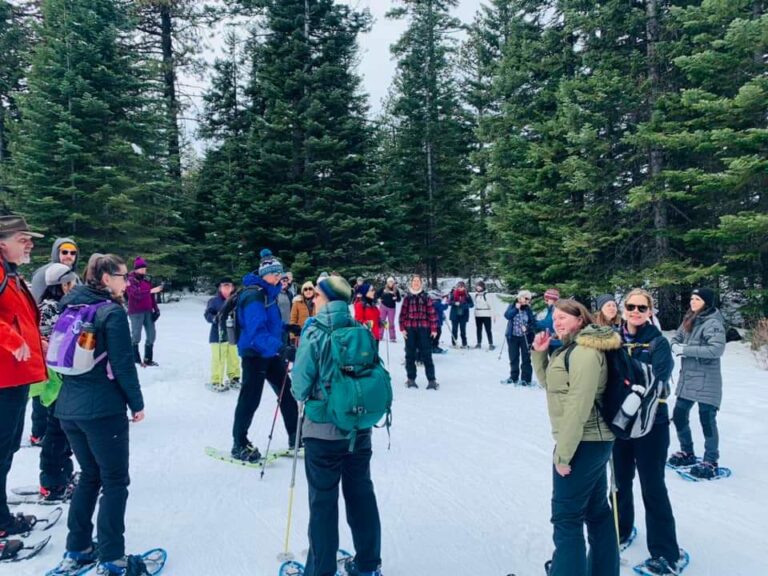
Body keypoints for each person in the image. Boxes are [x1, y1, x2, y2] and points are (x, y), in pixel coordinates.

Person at [51, 254, 148, 576]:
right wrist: (136, 403)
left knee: (89, 476)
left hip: (68, 408)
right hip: (103, 411)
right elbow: (122, 365)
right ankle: (112, 556)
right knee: (115, 480)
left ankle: (77, 548)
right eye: (123, 276)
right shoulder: (111, 313)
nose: (127, 282)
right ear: (106, 279)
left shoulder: (72, 306)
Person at [291, 275, 382, 576]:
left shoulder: (314, 332)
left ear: (326, 298)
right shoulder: (360, 329)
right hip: (359, 430)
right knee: (361, 494)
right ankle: (368, 565)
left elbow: (300, 386)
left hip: (322, 433)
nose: (312, 298)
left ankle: (320, 571)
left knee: (323, 504)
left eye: (316, 294)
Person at [531, 299, 620, 576]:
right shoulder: (570, 348)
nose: (556, 322)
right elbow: (552, 386)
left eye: (563, 317)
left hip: (584, 442)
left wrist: (564, 453)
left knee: (567, 518)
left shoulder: (584, 352)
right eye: (554, 317)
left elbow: (578, 404)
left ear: (580, 319)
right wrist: (540, 354)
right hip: (591, 442)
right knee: (597, 513)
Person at [613, 288, 680, 575]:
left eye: (642, 307)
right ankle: (621, 529)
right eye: (631, 306)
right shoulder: (613, 339)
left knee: (652, 487)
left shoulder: (657, 343)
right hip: (620, 423)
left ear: (650, 311)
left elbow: (657, 378)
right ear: (623, 308)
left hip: (652, 424)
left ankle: (666, 553)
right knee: (619, 483)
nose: (636, 311)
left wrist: (624, 373)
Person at [0, 214, 47, 539]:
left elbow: (15, 318)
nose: (29, 243)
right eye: (23, 239)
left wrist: (35, 342)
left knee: (6, 452)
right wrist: (13, 340)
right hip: (3, 378)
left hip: (14, 378)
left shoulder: (10, 274)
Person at [231, 249, 299, 462]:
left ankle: (296, 437)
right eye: (274, 273)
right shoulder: (254, 295)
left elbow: (271, 324)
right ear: (264, 274)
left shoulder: (269, 292)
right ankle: (239, 443)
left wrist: (289, 327)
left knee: (287, 393)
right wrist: (281, 348)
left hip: (270, 353)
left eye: (280, 273)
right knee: (250, 399)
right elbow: (256, 332)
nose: (279, 277)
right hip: (254, 354)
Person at [668, 287, 726, 480]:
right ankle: (687, 452)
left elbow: (715, 350)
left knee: (706, 419)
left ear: (706, 302)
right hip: (689, 378)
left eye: (697, 299)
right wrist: (675, 345)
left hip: (707, 380)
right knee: (679, 415)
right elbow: (675, 338)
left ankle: (711, 460)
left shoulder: (713, 323)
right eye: (692, 298)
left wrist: (686, 349)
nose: (692, 302)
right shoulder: (689, 319)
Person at [31, 263, 78, 501]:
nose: (72, 288)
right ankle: (51, 481)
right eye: (68, 284)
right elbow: (44, 339)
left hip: (61, 377)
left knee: (64, 431)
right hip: (52, 379)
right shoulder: (48, 307)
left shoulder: (63, 305)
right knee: (56, 431)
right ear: (58, 285)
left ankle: (64, 475)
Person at [398, 275, 438, 390]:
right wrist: (402, 328)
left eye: (418, 281)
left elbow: (432, 314)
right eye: (414, 281)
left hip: (424, 329)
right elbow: (402, 314)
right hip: (410, 329)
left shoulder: (426, 297)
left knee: (427, 355)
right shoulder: (407, 298)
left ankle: (432, 380)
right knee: (410, 355)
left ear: (421, 283)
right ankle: (411, 379)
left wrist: (434, 328)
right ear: (411, 283)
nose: (416, 283)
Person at [204, 278, 240, 392]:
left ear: (233, 287)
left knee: (234, 358)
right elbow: (208, 314)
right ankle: (216, 380)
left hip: (233, 334)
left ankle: (234, 378)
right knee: (218, 358)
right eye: (224, 286)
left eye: (229, 285)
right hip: (218, 334)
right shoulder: (214, 301)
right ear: (220, 288)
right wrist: (214, 318)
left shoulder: (236, 300)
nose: (226, 288)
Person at [125, 257, 162, 367]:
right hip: (135, 311)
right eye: (141, 269)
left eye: (144, 269)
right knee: (136, 336)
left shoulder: (146, 281)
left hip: (148, 311)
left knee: (151, 335)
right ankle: (135, 360)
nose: (143, 271)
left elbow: (151, 296)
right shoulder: (130, 280)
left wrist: (156, 309)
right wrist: (151, 290)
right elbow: (135, 294)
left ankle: (148, 359)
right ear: (136, 269)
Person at [30, 236, 80, 304]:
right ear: (56, 253)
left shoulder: (74, 275)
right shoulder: (42, 274)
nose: (69, 256)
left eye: (73, 253)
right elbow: (35, 302)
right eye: (64, 252)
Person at [502, 290, 536, 386]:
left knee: (526, 358)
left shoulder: (528, 309)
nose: (527, 301)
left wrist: (527, 328)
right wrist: (516, 309)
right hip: (512, 336)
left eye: (528, 299)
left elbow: (532, 322)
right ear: (519, 297)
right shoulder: (512, 306)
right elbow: (507, 316)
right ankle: (513, 377)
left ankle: (526, 379)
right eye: (525, 298)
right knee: (513, 357)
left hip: (525, 337)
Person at [355, 283, 383, 347]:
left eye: (374, 290)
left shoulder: (373, 304)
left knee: (375, 355)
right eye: (371, 290)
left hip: (375, 336)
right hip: (366, 337)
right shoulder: (360, 305)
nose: (374, 291)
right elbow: (358, 321)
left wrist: (380, 322)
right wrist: (366, 323)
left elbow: (377, 317)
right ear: (365, 292)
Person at [289, 281, 316, 345]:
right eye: (305, 289)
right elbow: (293, 319)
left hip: (315, 334)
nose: (308, 291)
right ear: (303, 292)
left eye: (310, 289)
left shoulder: (317, 302)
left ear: (313, 290)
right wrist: (293, 335)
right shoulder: (297, 303)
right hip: (301, 334)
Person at [448, 281, 473, 348]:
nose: (460, 288)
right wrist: (454, 303)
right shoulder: (453, 293)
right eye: (459, 287)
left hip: (463, 315)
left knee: (463, 330)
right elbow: (449, 302)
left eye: (462, 287)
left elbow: (471, 304)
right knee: (454, 330)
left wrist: (465, 305)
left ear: (464, 287)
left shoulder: (467, 294)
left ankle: (464, 343)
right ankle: (454, 343)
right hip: (454, 314)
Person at [536, 287, 562, 352]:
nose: (545, 302)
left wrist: (533, 322)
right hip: (553, 341)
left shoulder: (555, 309)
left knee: (555, 360)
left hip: (557, 342)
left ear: (554, 300)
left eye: (547, 300)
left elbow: (548, 324)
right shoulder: (551, 309)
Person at [376, 277, 400, 343]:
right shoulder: (383, 289)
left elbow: (399, 299)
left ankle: (392, 338)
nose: (390, 283)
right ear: (387, 282)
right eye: (389, 281)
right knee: (382, 322)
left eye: (392, 281)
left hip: (392, 308)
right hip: (383, 307)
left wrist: (396, 298)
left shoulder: (396, 290)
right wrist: (378, 299)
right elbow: (376, 295)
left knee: (391, 323)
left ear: (393, 282)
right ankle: (380, 336)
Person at [473, 280, 494, 350]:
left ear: (483, 287)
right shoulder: (476, 295)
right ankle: (479, 343)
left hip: (486, 314)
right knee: (478, 329)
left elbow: (491, 305)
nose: (478, 288)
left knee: (488, 329)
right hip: (478, 314)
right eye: (477, 287)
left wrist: (493, 315)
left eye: (480, 287)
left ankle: (491, 344)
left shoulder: (486, 295)